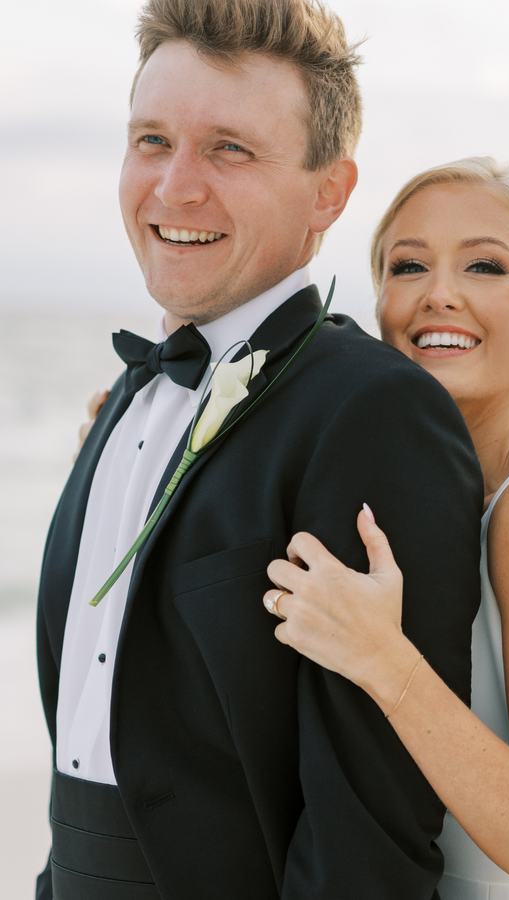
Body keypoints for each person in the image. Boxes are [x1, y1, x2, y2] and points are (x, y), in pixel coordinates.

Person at [36, 2, 485, 898]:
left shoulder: (375, 413)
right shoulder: (131, 395)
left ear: (330, 191)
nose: (174, 188)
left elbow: (370, 834)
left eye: (230, 149)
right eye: (153, 140)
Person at [261, 157, 509, 900]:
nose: (438, 295)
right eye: (408, 266)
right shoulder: (403, 501)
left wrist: (384, 661)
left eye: (484, 266)